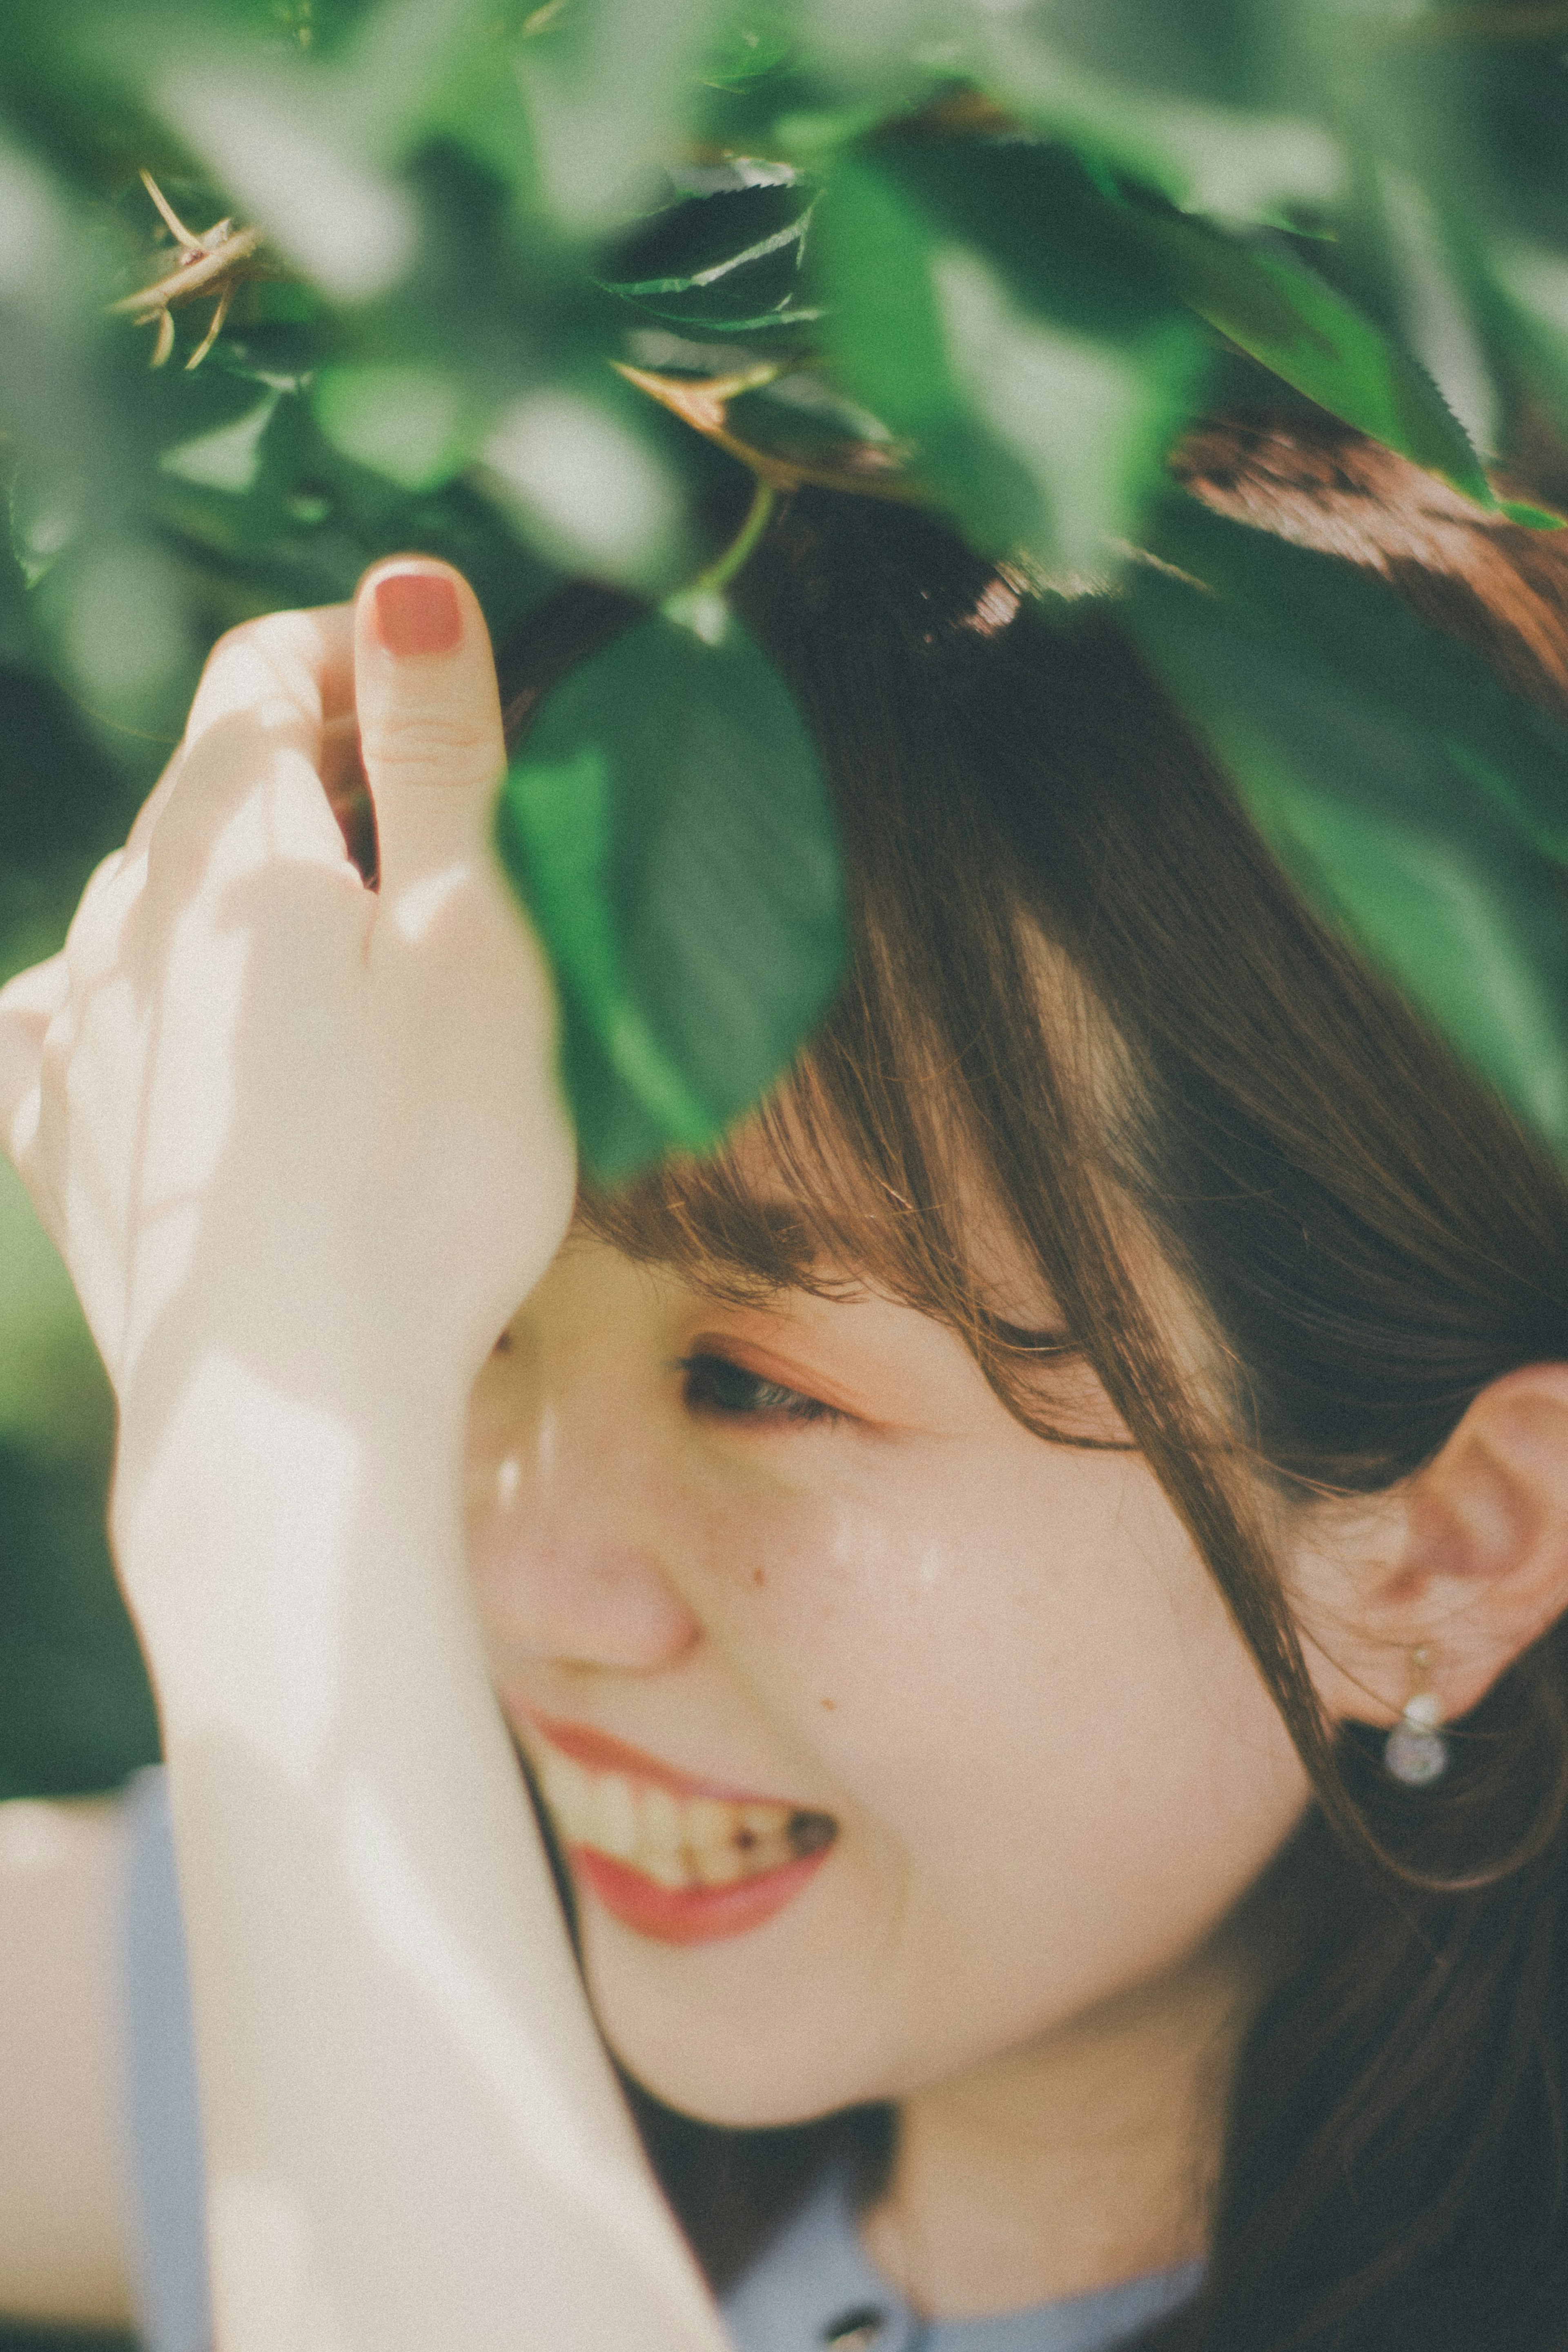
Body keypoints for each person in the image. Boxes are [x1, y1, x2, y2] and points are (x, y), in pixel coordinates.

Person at [1, 418, 1567, 2352]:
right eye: (467, 1316)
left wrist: (257, 1487)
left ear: (1445, 1545)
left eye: (751, 1383)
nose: (518, 1588)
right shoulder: (389, 1950)